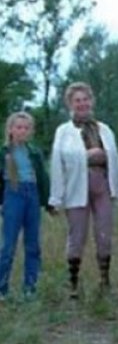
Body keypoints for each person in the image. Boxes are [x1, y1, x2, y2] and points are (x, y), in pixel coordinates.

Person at [49, 82, 118, 299]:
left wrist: (116, 186)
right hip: (76, 187)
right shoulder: (64, 132)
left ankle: (105, 280)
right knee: (77, 235)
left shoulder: (104, 129)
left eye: (85, 100)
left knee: (104, 233)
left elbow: (115, 158)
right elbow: (57, 163)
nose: (82, 104)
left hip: (102, 184)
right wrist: (56, 196)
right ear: (70, 104)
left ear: (91, 101)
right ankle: (73, 283)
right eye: (77, 101)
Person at [0, 112, 51, 299]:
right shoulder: (4, 152)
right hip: (12, 193)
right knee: (8, 244)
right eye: (18, 127)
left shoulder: (34, 152)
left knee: (32, 244)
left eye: (26, 128)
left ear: (31, 131)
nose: (22, 131)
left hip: (32, 194)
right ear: (11, 130)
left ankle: (30, 287)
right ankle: (2, 287)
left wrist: (47, 201)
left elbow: (43, 178)